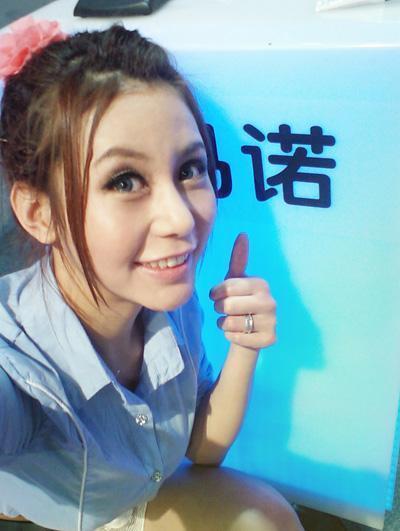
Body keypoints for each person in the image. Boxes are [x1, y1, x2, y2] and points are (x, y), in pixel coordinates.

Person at [0, 16, 304, 531]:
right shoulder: (19, 362)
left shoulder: (168, 298)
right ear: (38, 212)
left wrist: (244, 347)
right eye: (125, 181)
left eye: (189, 169)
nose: (180, 220)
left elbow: (200, 449)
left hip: (133, 497)